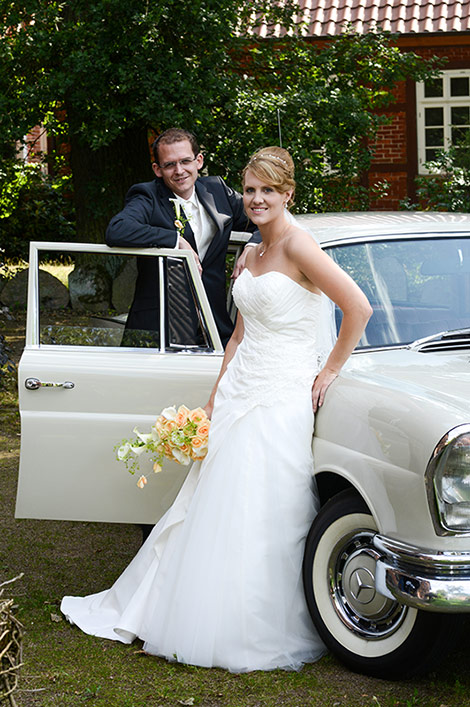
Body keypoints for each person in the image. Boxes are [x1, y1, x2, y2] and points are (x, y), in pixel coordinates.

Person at [61, 147, 372, 672]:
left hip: (280, 392)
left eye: (267, 190)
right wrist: (214, 396)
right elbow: (239, 336)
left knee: (265, 502)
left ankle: (256, 620)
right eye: (249, 190)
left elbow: (358, 307)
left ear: (288, 193)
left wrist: (329, 371)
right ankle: (194, 607)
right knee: (212, 499)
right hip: (240, 387)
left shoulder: (299, 245)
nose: (256, 199)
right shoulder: (252, 250)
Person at [106, 128, 260, 347]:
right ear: (157, 169)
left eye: (185, 161)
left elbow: (267, 219)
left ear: (199, 161)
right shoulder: (147, 196)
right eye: (170, 164)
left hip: (214, 327)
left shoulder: (218, 191)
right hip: (158, 332)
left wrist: (252, 246)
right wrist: (174, 240)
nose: (179, 171)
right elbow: (117, 229)